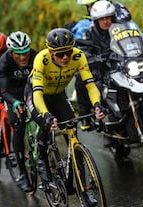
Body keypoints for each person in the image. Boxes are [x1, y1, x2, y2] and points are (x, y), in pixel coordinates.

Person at [31, 28, 105, 190]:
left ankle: (82, 185)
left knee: (73, 132)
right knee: (44, 123)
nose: (65, 57)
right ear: (51, 52)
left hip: (58, 95)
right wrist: (46, 115)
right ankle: (42, 163)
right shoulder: (41, 59)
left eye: (68, 52)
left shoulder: (78, 56)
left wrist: (97, 105)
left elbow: (90, 86)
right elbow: (37, 94)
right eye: (60, 53)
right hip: (38, 95)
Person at [73, 0, 131, 131]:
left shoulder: (122, 30)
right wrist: (90, 56)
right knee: (81, 77)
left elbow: (134, 40)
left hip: (122, 68)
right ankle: (85, 116)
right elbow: (83, 50)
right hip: (101, 71)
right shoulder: (89, 33)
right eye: (102, 19)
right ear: (96, 20)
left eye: (108, 18)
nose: (105, 22)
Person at [0, 31, 38, 192]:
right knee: (19, 126)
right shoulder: (4, 61)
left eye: (25, 53)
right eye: (18, 54)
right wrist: (14, 102)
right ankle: (22, 173)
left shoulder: (35, 56)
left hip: (31, 90)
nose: (23, 58)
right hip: (12, 95)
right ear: (11, 52)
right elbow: (3, 91)